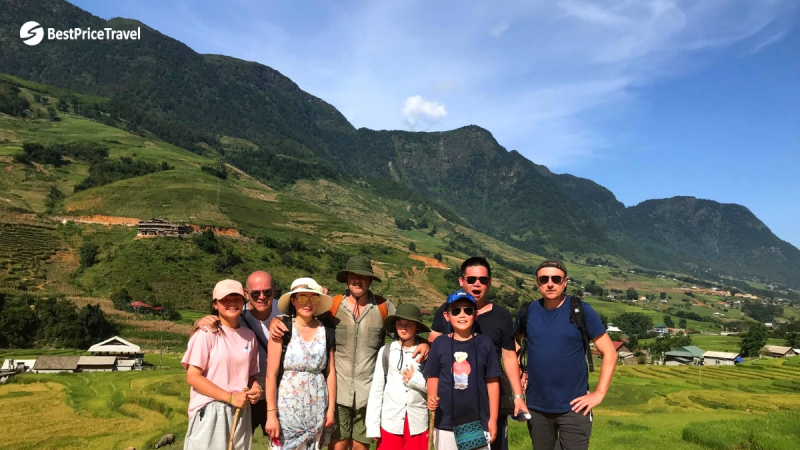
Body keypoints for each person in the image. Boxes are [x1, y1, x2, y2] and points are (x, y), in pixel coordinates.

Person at [269, 256, 428, 450]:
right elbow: (303, 316)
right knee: (338, 446)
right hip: (338, 392)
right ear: (346, 279)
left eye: (363, 276)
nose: (357, 280)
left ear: (370, 280)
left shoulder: (383, 307)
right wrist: (277, 320)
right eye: (353, 275)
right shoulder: (333, 306)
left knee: (361, 447)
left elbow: (406, 330)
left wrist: (424, 342)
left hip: (369, 393)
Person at [515, 260, 617, 450]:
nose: (550, 283)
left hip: (575, 407)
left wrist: (599, 393)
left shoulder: (581, 310)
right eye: (544, 279)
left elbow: (610, 352)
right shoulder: (527, 312)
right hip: (537, 406)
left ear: (565, 281)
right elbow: (513, 345)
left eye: (556, 278)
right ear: (537, 282)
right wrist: (521, 371)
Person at [429, 257, 527, 450]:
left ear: (489, 282)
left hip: (487, 404)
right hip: (450, 408)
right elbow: (434, 343)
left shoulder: (501, 316)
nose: (477, 284)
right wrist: (424, 346)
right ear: (461, 281)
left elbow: (509, 356)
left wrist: (518, 397)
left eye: (482, 280)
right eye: (472, 279)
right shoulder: (447, 308)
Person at [193, 270, 280, 435]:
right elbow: (214, 323)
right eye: (255, 293)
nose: (262, 296)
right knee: (240, 441)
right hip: (246, 396)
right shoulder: (237, 314)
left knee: (280, 442)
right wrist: (199, 321)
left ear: (274, 291)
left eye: (267, 292)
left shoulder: (285, 310)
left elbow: (310, 315)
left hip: (279, 393)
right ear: (247, 294)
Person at [181, 279, 262, 450]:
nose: (232, 303)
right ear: (215, 304)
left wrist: (255, 388)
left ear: (244, 301)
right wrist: (230, 398)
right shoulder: (206, 333)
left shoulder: (249, 336)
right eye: (225, 299)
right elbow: (193, 376)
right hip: (211, 409)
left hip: (241, 410)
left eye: (237, 298)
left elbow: (249, 375)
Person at [264, 277, 337, 450]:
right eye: (303, 298)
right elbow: (271, 375)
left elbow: (330, 372)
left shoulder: (326, 332)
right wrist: (271, 414)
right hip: (287, 411)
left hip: (317, 409)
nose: (308, 303)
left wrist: (331, 409)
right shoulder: (282, 329)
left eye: (314, 298)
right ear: (293, 300)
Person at [425, 290, 501, 450]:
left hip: (477, 422)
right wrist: (432, 395)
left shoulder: (485, 343)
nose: (462, 314)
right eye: (456, 310)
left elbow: (492, 381)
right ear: (447, 316)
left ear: (476, 315)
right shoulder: (439, 343)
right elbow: (433, 375)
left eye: (468, 310)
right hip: (444, 421)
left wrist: (493, 419)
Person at [365, 303, 430, 450]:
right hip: (390, 421)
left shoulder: (426, 353)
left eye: (409, 324)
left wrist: (415, 380)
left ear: (417, 327)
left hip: (417, 422)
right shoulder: (386, 351)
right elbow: (377, 389)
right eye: (399, 323)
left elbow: (433, 388)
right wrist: (373, 425)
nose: (403, 327)